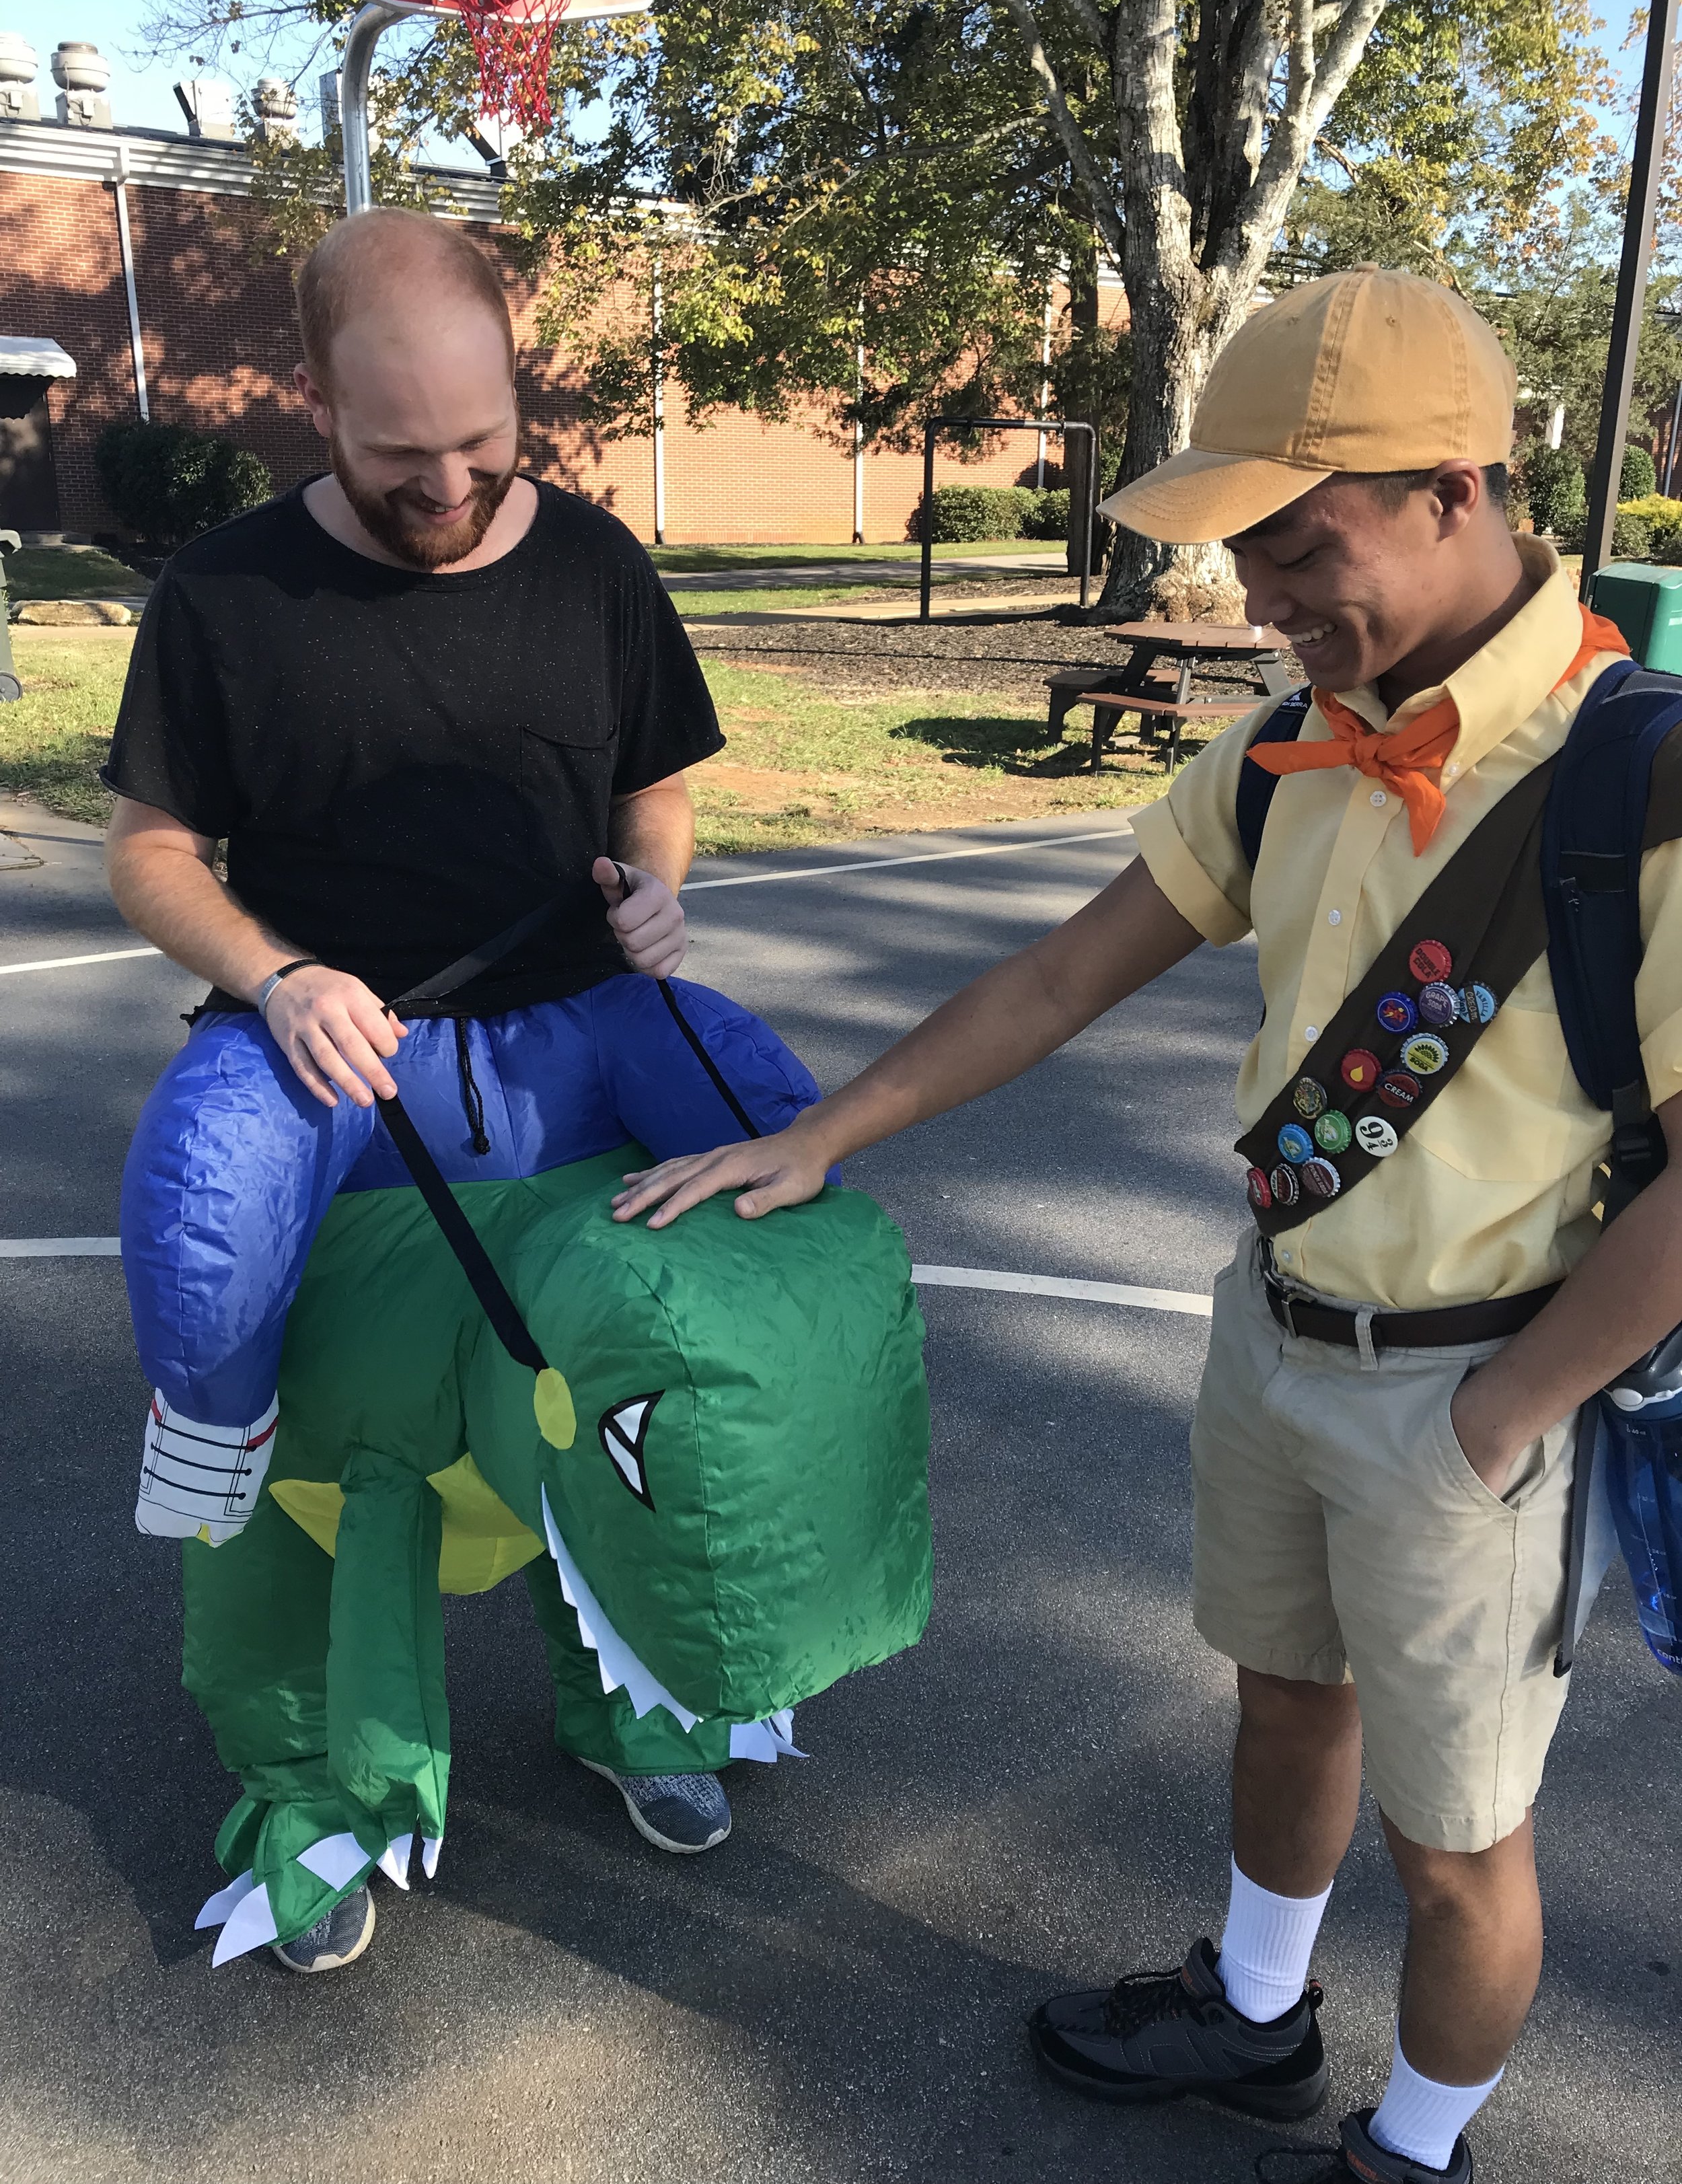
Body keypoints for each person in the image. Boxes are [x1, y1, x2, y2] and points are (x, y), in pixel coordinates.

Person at [608, 268, 1682, 2181]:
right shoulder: (1292, 746)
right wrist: (825, 1131)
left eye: (1293, 537)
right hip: (1273, 1332)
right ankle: (1255, 2020)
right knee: (1283, 1701)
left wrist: (1508, 1415)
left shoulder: (1646, 783)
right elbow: (1056, 979)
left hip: (1469, 1394)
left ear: (1452, 486)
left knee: (1458, 1847)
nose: (1254, 592)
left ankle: (1415, 2151)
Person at [105, 208, 783, 1962]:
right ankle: (307, 1794)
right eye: (401, 453)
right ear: (315, 402)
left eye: (483, 444)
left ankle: (646, 1698)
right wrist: (274, 973)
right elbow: (151, 853)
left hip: (568, 1055)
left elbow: (654, 790)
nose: (451, 482)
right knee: (295, 1448)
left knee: (623, 1405)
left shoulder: (593, 568)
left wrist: (659, 885)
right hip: (323, 1060)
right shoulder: (226, 593)